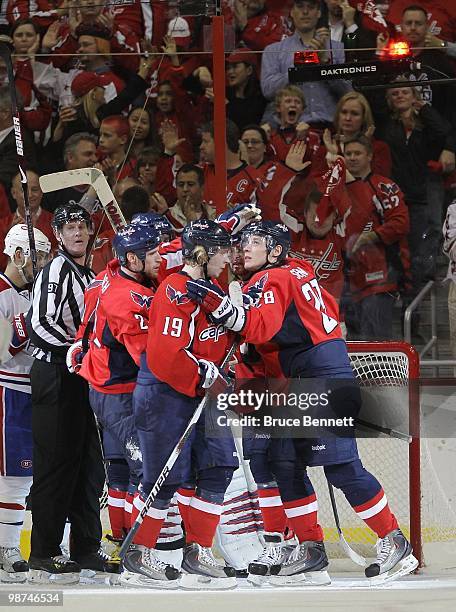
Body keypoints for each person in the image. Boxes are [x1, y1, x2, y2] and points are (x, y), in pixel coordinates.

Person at [185, 220, 418, 585]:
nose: (246, 246)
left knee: (341, 468)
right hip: (304, 377)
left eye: (256, 241)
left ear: (275, 251)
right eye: (245, 240)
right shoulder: (299, 272)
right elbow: (291, 329)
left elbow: (260, 328)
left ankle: (393, 539)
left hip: (318, 376)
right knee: (283, 463)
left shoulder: (273, 278)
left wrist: (226, 310)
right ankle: (309, 547)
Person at [127, 219, 238, 589]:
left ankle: (197, 554)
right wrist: (202, 373)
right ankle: (139, 555)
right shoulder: (176, 291)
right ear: (203, 253)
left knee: (219, 465)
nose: (229, 256)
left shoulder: (214, 289)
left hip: (201, 394)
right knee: (163, 478)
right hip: (165, 394)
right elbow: (164, 356)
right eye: (223, 250)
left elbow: (217, 343)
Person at [26, 204, 106, 584]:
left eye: (82, 226)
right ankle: (43, 551)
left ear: (90, 233)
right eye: (68, 227)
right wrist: (74, 351)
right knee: (56, 464)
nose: (76, 232)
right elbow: (37, 323)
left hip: (82, 375)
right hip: (56, 374)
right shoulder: (55, 270)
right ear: (57, 234)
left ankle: (87, 547)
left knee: (89, 465)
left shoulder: (88, 274)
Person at [77, 223, 162, 569]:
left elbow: (86, 326)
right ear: (132, 258)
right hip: (120, 393)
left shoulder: (109, 274)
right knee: (146, 470)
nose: (160, 257)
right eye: (153, 252)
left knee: (121, 472)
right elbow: (148, 356)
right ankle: (137, 551)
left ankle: (122, 544)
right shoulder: (125, 298)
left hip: (106, 386)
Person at [0, 225, 51, 583]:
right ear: (19, 255)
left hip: (34, 392)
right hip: (6, 390)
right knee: (8, 478)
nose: (44, 263)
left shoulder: (38, 292)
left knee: (20, 478)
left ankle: (8, 547)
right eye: (39, 255)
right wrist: (26, 322)